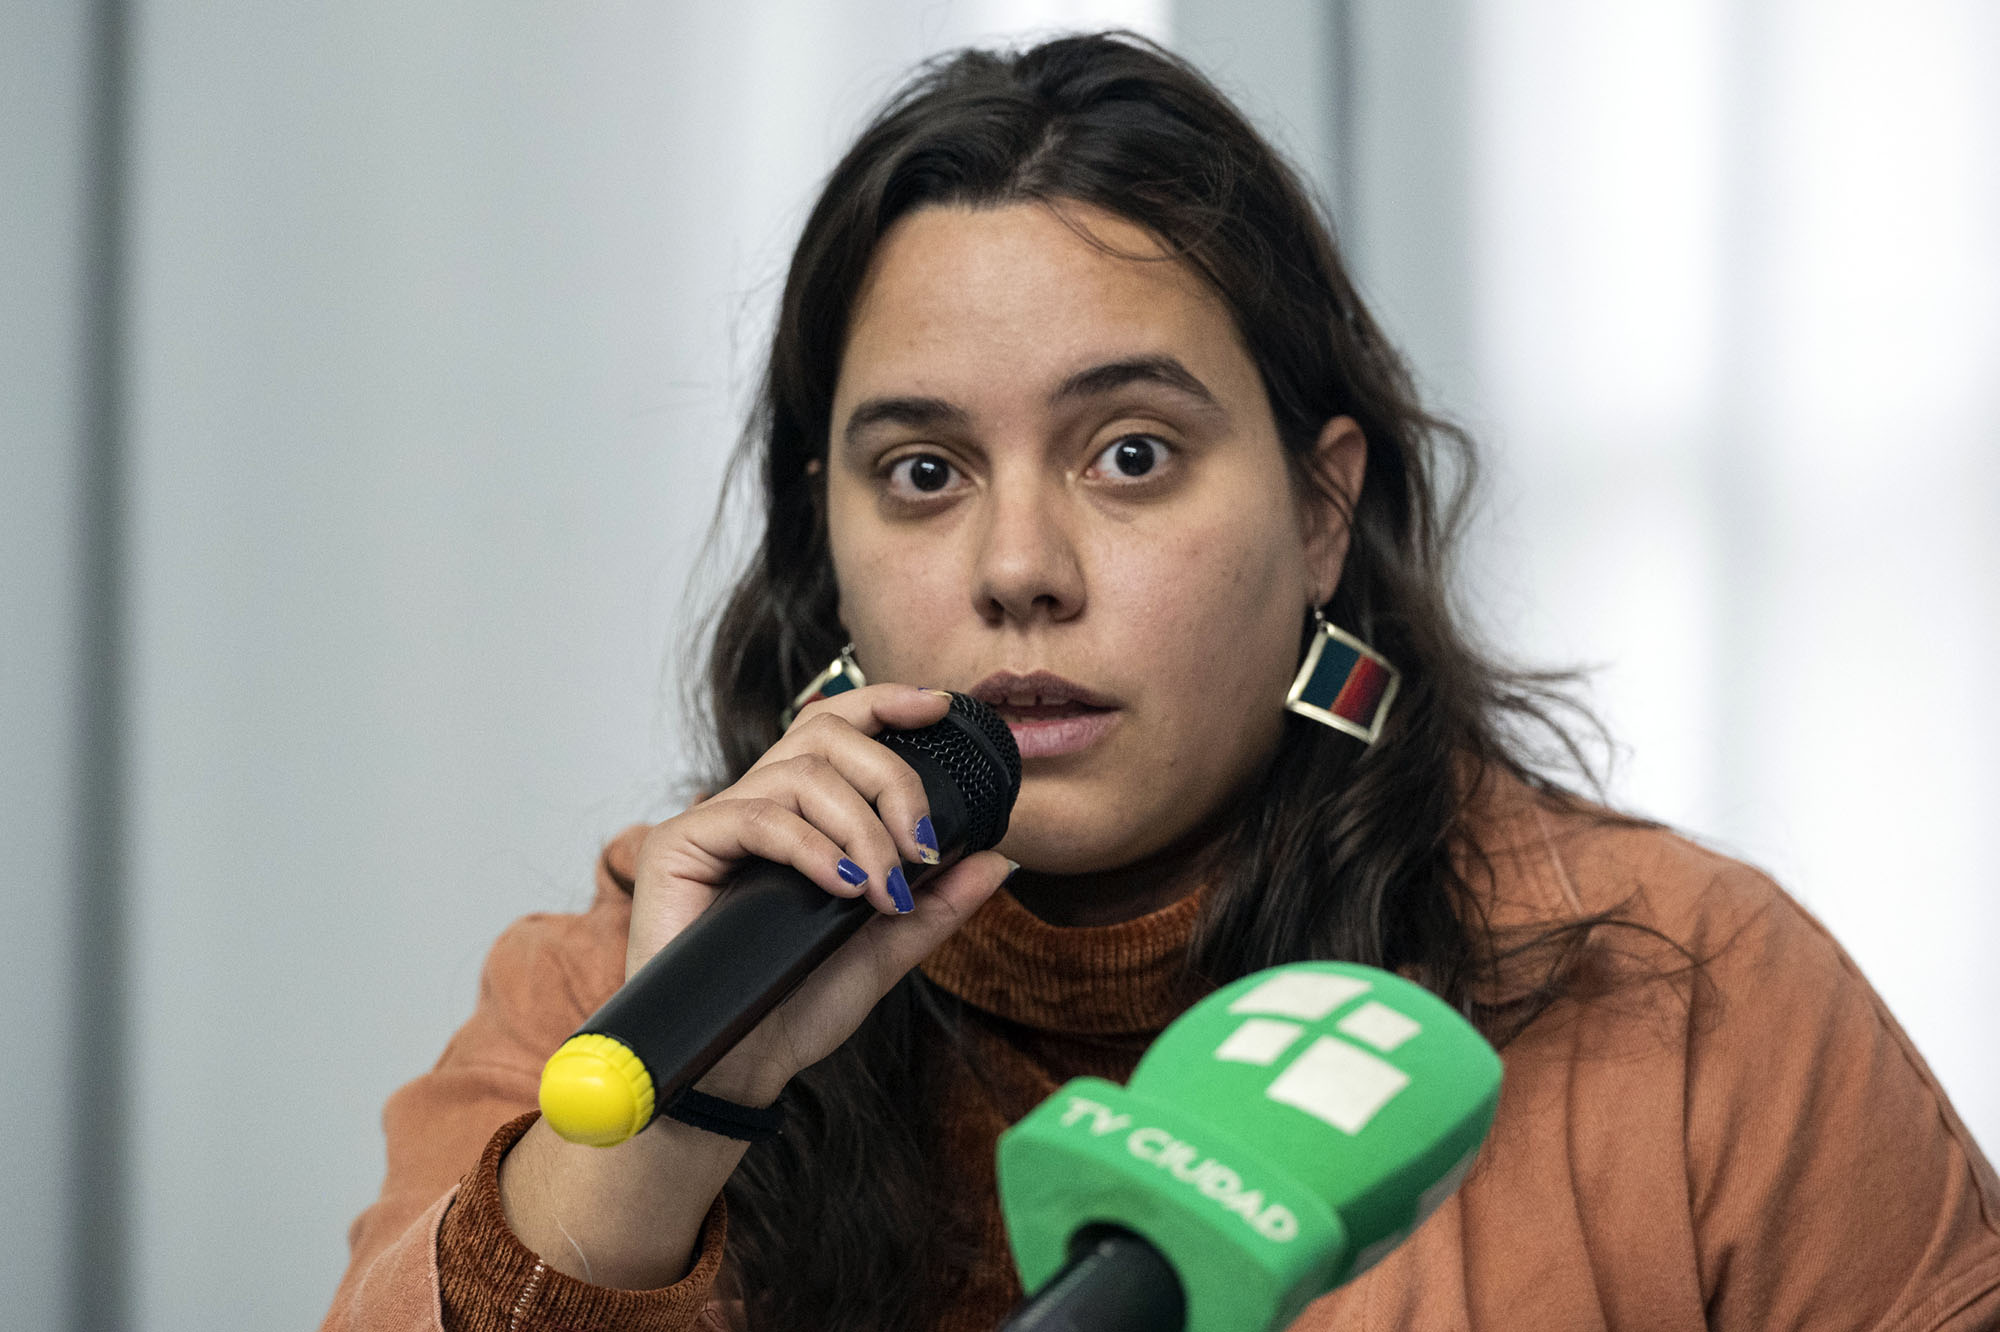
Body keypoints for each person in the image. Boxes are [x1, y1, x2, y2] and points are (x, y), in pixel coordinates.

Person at [320, 32, 2000, 1332]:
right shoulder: (617, 993)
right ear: (824, 541)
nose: (1018, 567)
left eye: (1130, 454)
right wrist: (683, 1123)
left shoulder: (1689, 992)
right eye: (923, 473)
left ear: (1321, 511)